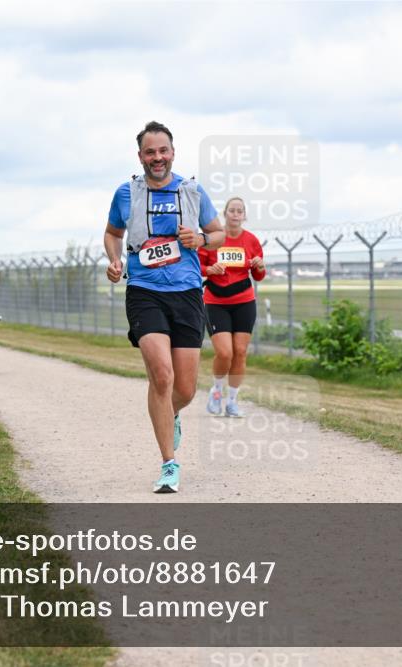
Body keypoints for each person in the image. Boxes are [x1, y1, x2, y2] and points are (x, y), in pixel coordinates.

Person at [104, 120, 225, 493]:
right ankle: (169, 463)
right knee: (162, 375)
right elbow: (113, 234)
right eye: (150, 152)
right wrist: (114, 260)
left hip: (187, 292)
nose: (157, 157)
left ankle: (170, 413)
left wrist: (202, 238)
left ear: (173, 152)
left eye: (163, 150)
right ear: (140, 156)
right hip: (144, 290)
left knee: (185, 389)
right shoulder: (126, 193)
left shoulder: (192, 192)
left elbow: (219, 233)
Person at [199, 197, 266, 418]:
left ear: (244, 215)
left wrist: (259, 266)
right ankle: (217, 391)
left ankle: (233, 402)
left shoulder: (252, 241)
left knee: (240, 352)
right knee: (225, 353)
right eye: (232, 210)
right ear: (225, 214)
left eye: (240, 211)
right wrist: (211, 269)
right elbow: (198, 266)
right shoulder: (214, 239)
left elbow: (259, 275)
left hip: (244, 301)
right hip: (216, 301)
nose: (236, 214)